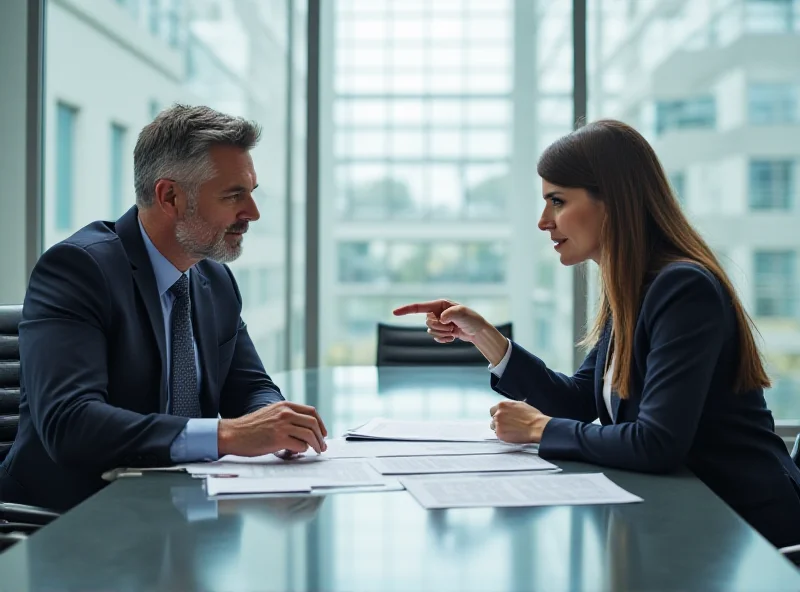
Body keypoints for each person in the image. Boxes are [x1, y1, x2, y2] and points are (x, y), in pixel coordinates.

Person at [393, 119, 800, 549]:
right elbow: (580, 399)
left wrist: (540, 429)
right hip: (689, 520)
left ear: (612, 201)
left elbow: (656, 442)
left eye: (557, 201)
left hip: (746, 532)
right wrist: (484, 337)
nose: (543, 221)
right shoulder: (634, 287)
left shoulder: (682, 288)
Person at [0, 104, 327, 512]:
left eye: (251, 194)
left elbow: (248, 385)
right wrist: (226, 436)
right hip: (68, 521)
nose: (252, 214)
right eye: (233, 196)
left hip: (178, 514)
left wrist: (272, 423)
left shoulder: (214, 279)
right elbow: (71, 423)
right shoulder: (79, 270)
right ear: (170, 196)